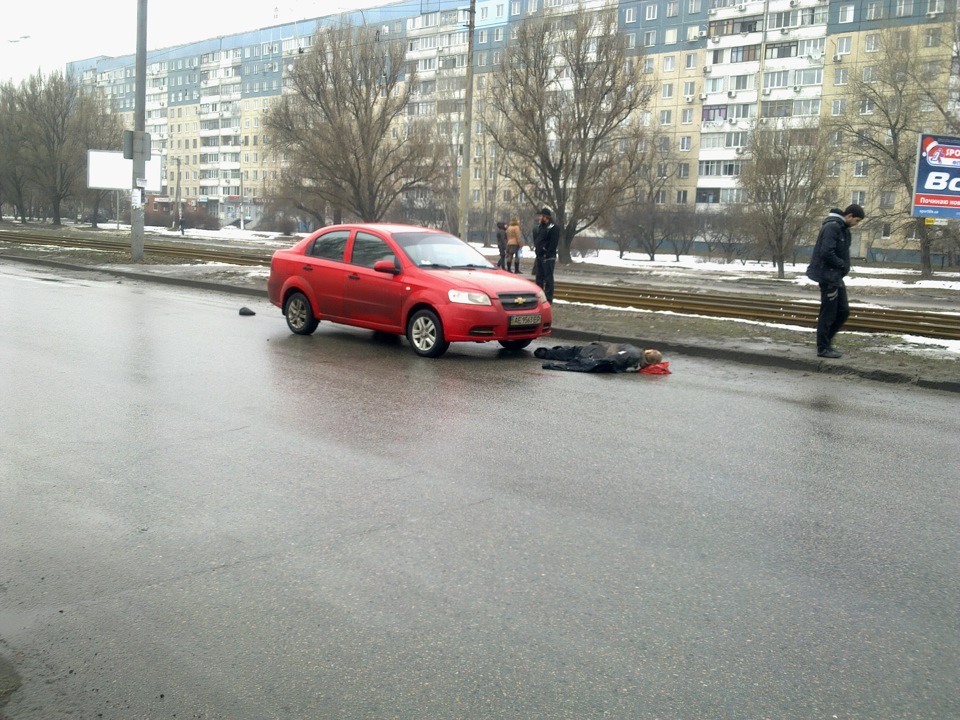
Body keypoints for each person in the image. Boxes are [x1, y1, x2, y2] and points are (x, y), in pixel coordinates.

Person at [805, 203, 865, 358]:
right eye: (856, 220)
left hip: (835, 276)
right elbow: (826, 252)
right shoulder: (833, 227)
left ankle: (826, 343)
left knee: (843, 311)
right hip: (828, 276)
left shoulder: (842, 228)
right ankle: (823, 348)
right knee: (829, 313)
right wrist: (841, 264)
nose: (856, 224)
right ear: (849, 215)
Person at [534, 342, 665, 373]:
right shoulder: (638, 362)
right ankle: (544, 353)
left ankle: (544, 353)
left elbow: (614, 358)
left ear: (650, 352)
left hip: (594, 352)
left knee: (571, 352)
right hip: (594, 352)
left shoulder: (634, 354)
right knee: (568, 352)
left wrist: (594, 361)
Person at [532, 206, 560, 302]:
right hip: (539, 256)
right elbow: (537, 240)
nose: (539, 218)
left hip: (548, 257)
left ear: (545, 217)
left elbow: (553, 243)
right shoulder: (540, 227)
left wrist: (547, 253)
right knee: (539, 278)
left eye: (541, 216)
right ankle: (539, 298)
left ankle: (548, 298)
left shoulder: (553, 227)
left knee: (548, 278)